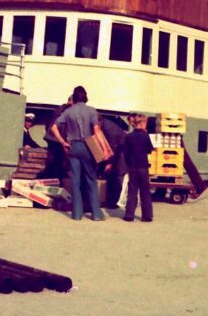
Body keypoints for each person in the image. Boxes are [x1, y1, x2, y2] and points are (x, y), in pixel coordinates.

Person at [51, 86, 112, 221]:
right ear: (85, 96)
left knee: (75, 180)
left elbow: (54, 127)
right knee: (91, 179)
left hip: (73, 146)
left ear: (74, 97)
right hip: (87, 146)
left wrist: (63, 142)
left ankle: (76, 214)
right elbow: (97, 131)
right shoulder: (91, 111)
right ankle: (96, 213)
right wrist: (105, 149)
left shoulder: (68, 112)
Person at [121, 112, 155, 222]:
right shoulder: (145, 136)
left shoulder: (129, 137)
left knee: (132, 191)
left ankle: (129, 215)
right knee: (145, 191)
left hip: (132, 166)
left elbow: (125, 152)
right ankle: (147, 216)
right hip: (143, 166)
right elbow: (150, 149)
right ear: (142, 123)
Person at [42, 97, 73, 179]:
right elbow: (63, 127)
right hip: (56, 138)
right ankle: (53, 178)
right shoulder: (66, 110)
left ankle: (50, 177)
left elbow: (49, 123)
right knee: (57, 160)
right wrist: (64, 141)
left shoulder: (60, 109)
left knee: (54, 159)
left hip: (52, 137)